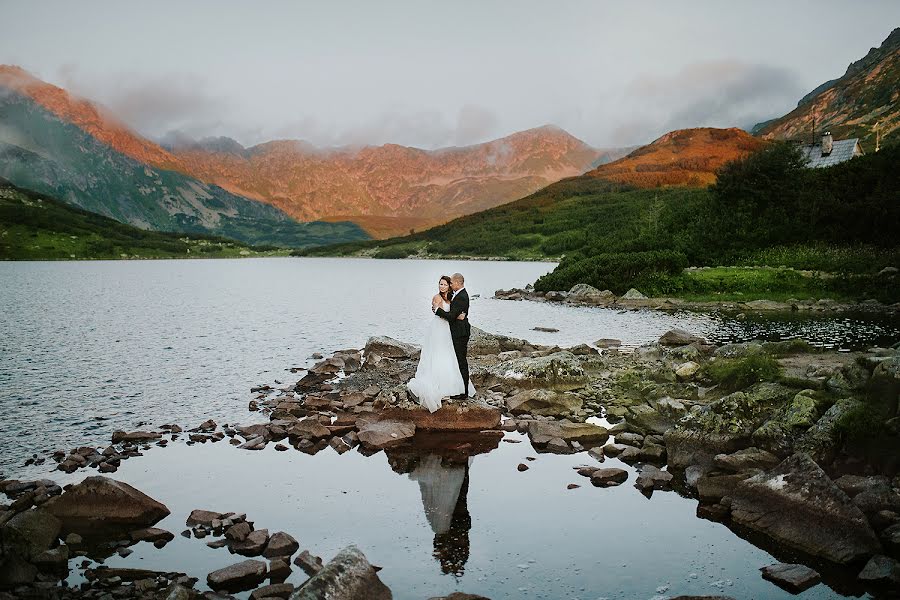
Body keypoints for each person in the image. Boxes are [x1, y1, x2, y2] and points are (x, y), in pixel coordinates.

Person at [407, 275, 475, 412]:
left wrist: (460, 316)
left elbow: (452, 314)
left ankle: (462, 390)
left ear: (453, 284)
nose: (443, 286)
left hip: (453, 330)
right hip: (440, 329)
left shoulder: (457, 296)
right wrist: (445, 313)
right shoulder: (438, 297)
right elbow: (449, 313)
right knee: (444, 355)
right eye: (441, 284)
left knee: (457, 359)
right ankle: (453, 387)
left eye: (446, 284)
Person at [434, 273, 472, 401]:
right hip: (457, 331)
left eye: (451, 283)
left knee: (461, 362)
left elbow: (450, 316)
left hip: (460, 333)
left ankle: (464, 392)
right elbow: (454, 313)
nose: (450, 285)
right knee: (457, 361)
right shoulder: (457, 295)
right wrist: (457, 315)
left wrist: (436, 310)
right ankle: (459, 388)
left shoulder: (461, 296)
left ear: (457, 283)